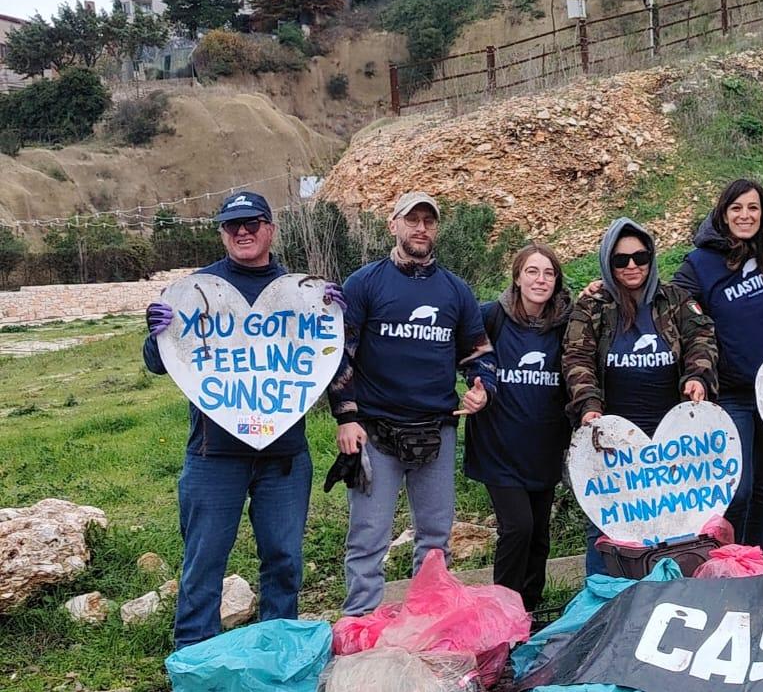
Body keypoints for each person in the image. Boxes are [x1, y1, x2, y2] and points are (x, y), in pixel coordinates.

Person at [144, 190, 338, 649]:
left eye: (253, 222)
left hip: (284, 458)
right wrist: (157, 333)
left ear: (271, 228)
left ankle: (277, 653)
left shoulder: (301, 292)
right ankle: (195, 659)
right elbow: (159, 362)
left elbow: (328, 358)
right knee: (204, 562)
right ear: (222, 234)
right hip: (214, 457)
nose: (244, 231)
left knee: (285, 561)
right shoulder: (196, 291)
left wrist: (333, 316)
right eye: (234, 225)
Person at [328, 191, 495, 615]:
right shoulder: (364, 283)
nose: (421, 228)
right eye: (412, 220)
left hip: (435, 432)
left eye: (429, 221)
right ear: (394, 225)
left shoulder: (456, 290)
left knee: (436, 538)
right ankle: (359, 627)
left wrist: (481, 387)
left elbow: (478, 354)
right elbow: (338, 354)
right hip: (376, 433)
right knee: (368, 538)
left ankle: (430, 620)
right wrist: (346, 417)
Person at [562, 219, 718, 574]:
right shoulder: (592, 307)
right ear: (607, 263)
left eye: (640, 256)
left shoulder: (675, 299)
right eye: (620, 260)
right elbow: (576, 358)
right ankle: (604, 602)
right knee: (606, 527)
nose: (632, 266)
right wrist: (588, 406)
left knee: (677, 528)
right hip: (613, 443)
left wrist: (697, 377)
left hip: (672, 443)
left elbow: (701, 340)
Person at [672, 178, 763, 547]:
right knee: (738, 489)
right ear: (722, 213)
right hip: (733, 392)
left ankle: (756, 558)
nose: (745, 215)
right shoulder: (700, 263)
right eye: (736, 208)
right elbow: (667, 302)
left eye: (753, 208)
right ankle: (727, 557)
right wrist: (607, 289)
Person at [463, 243, 571, 614]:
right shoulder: (491, 317)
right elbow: (462, 349)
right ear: (517, 276)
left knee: (539, 536)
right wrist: (470, 388)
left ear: (557, 281)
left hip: (543, 447)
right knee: (518, 529)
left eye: (548, 273)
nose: (540, 280)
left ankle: (530, 610)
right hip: (499, 448)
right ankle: (503, 612)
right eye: (532, 271)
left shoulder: (566, 324)